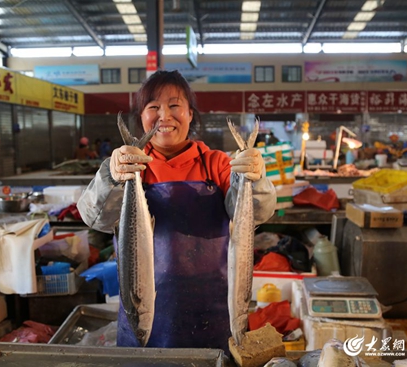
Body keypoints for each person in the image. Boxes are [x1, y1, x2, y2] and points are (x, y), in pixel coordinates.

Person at [77, 70, 276, 351]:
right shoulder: (129, 168)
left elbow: (260, 212)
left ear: (190, 114)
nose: (164, 116)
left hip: (215, 312)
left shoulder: (217, 164)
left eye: (174, 106)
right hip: (143, 311)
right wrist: (109, 176)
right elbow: (95, 219)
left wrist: (254, 178)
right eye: (153, 107)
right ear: (142, 116)